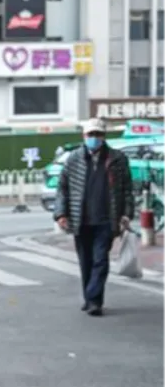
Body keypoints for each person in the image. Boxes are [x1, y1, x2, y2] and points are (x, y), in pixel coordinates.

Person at [54, 117, 135, 316]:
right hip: (81, 219)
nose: (94, 138)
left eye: (98, 134)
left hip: (107, 219)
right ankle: (90, 298)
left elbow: (127, 190)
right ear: (84, 136)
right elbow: (62, 189)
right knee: (86, 261)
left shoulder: (117, 159)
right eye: (91, 135)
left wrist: (126, 214)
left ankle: (94, 299)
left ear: (104, 136)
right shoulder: (73, 159)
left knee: (100, 259)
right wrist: (61, 213)